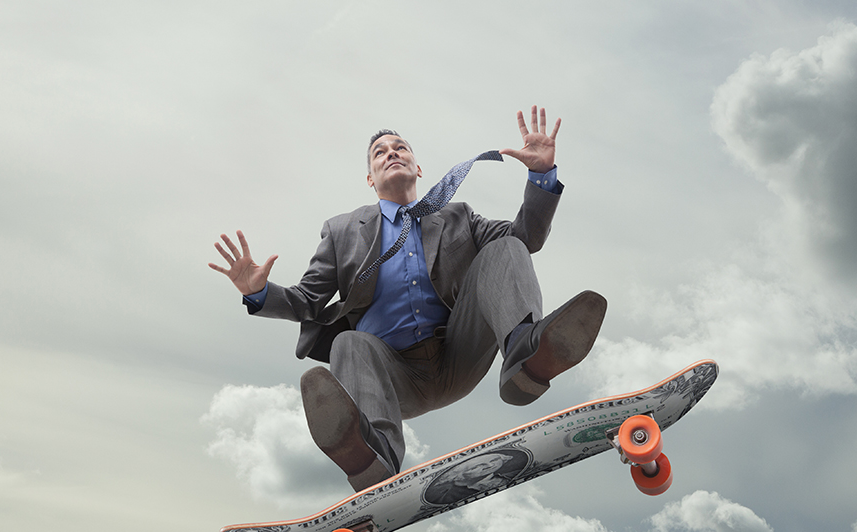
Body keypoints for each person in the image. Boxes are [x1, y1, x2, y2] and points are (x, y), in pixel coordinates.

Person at [210, 106, 606, 492]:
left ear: (417, 169)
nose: (391, 153)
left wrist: (541, 176)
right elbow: (307, 301)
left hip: (458, 355)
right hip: (389, 378)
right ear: (370, 178)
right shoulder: (342, 230)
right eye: (380, 152)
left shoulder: (458, 216)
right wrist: (258, 291)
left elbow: (526, 240)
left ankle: (526, 356)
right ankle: (373, 455)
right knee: (347, 341)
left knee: (506, 247)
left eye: (400, 147)